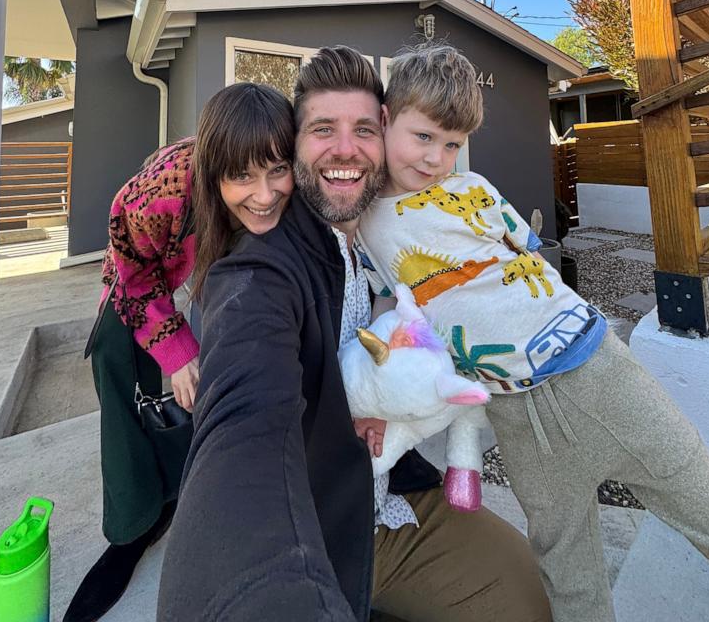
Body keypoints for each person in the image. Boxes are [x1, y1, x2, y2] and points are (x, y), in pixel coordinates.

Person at [157, 45, 552, 622]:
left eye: (363, 129)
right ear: (293, 144)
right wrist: (261, 592)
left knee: (529, 591)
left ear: (385, 135)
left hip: (393, 487)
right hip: (327, 529)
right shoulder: (259, 274)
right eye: (323, 129)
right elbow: (242, 425)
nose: (345, 149)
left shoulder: (377, 227)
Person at [357, 41, 709, 622]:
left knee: (708, 504)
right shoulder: (362, 214)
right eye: (422, 136)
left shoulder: (473, 188)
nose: (435, 158)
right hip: (515, 417)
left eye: (451, 144)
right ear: (385, 120)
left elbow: (528, 255)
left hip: (597, 372)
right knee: (566, 569)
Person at [63, 83, 295, 622]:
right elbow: (130, 269)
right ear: (213, 168)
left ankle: (178, 494)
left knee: (201, 390)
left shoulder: (291, 186)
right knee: (121, 376)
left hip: (210, 276)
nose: (264, 195)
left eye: (276, 171)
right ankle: (131, 527)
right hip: (138, 279)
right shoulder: (158, 192)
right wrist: (173, 348)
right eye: (242, 176)